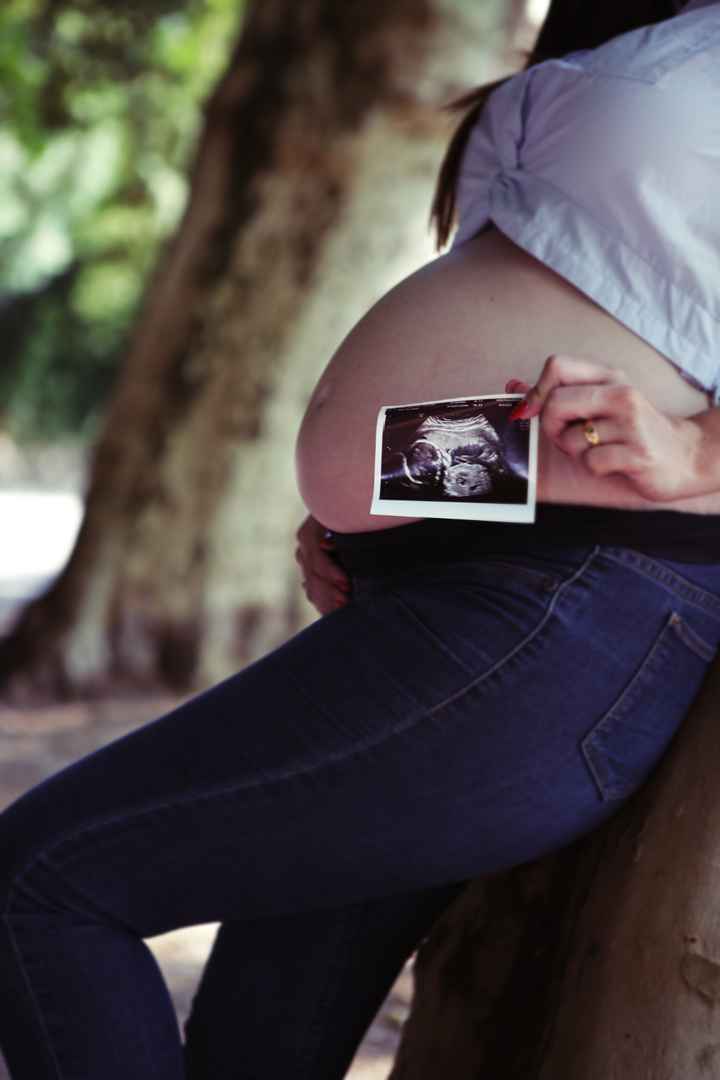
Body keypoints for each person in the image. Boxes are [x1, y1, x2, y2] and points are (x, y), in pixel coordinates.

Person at [2, 0, 720, 1076]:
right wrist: (376, 501)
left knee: (42, 882)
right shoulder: (630, 31)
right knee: (256, 1051)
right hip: (467, 586)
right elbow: (561, 355)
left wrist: (701, 455)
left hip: (561, 609)